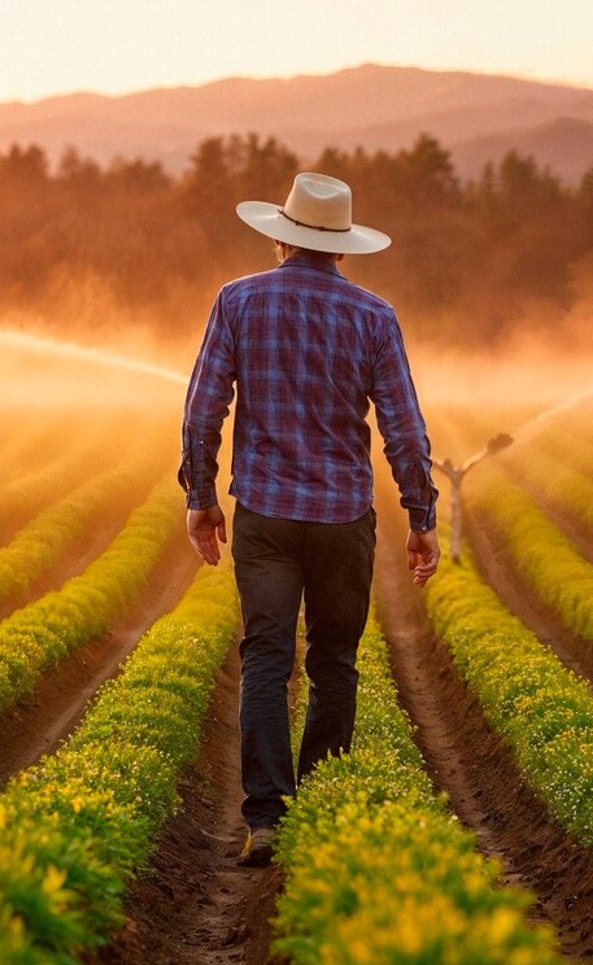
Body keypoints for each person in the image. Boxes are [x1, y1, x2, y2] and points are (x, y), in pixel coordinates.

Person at [178, 171, 440, 867]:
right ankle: (320, 809)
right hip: (342, 517)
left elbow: (204, 411)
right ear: (344, 250)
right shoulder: (374, 317)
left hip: (263, 512)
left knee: (266, 655)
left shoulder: (238, 301)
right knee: (334, 662)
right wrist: (422, 514)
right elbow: (405, 432)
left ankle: (266, 817)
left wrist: (200, 497)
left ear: (279, 239)